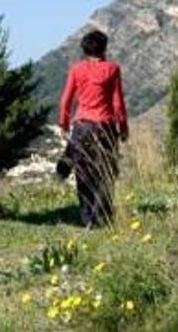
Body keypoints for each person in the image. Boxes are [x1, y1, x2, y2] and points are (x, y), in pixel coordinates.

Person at [58, 30, 128, 227]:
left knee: (83, 173)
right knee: (105, 172)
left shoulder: (77, 69)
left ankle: (88, 218)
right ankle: (102, 217)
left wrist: (64, 124)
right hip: (105, 127)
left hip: (82, 127)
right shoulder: (112, 69)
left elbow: (65, 101)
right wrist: (123, 127)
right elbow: (118, 103)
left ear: (84, 49)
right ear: (104, 48)